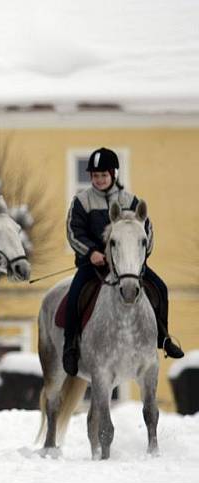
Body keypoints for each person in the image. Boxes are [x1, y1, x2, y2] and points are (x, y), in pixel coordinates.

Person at [63, 147, 183, 376]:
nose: (99, 180)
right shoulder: (82, 201)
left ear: (113, 175)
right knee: (74, 294)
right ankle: (70, 347)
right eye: (95, 176)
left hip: (129, 266)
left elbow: (146, 232)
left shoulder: (131, 200)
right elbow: (73, 232)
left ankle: (163, 338)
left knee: (161, 288)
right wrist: (90, 253)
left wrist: (138, 260)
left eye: (103, 175)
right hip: (94, 265)